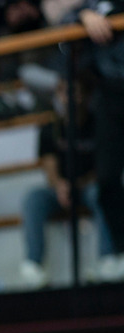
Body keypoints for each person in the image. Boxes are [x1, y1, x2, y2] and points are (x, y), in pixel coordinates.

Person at [19, 80, 116, 287]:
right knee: (33, 198)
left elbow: (105, 168)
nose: (69, 98)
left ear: (86, 96)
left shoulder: (98, 124)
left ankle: (109, 258)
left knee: (104, 192)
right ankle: (33, 265)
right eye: (64, 92)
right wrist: (60, 186)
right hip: (61, 189)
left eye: (75, 92)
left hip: (89, 186)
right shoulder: (51, 128)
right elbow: (49, 164)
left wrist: (79, 184)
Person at [73, 2, 124, 281]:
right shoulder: (92, 4)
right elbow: (61, 21)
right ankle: (119, 249)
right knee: (106, 179)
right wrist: (83, 15)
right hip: (108, 92)